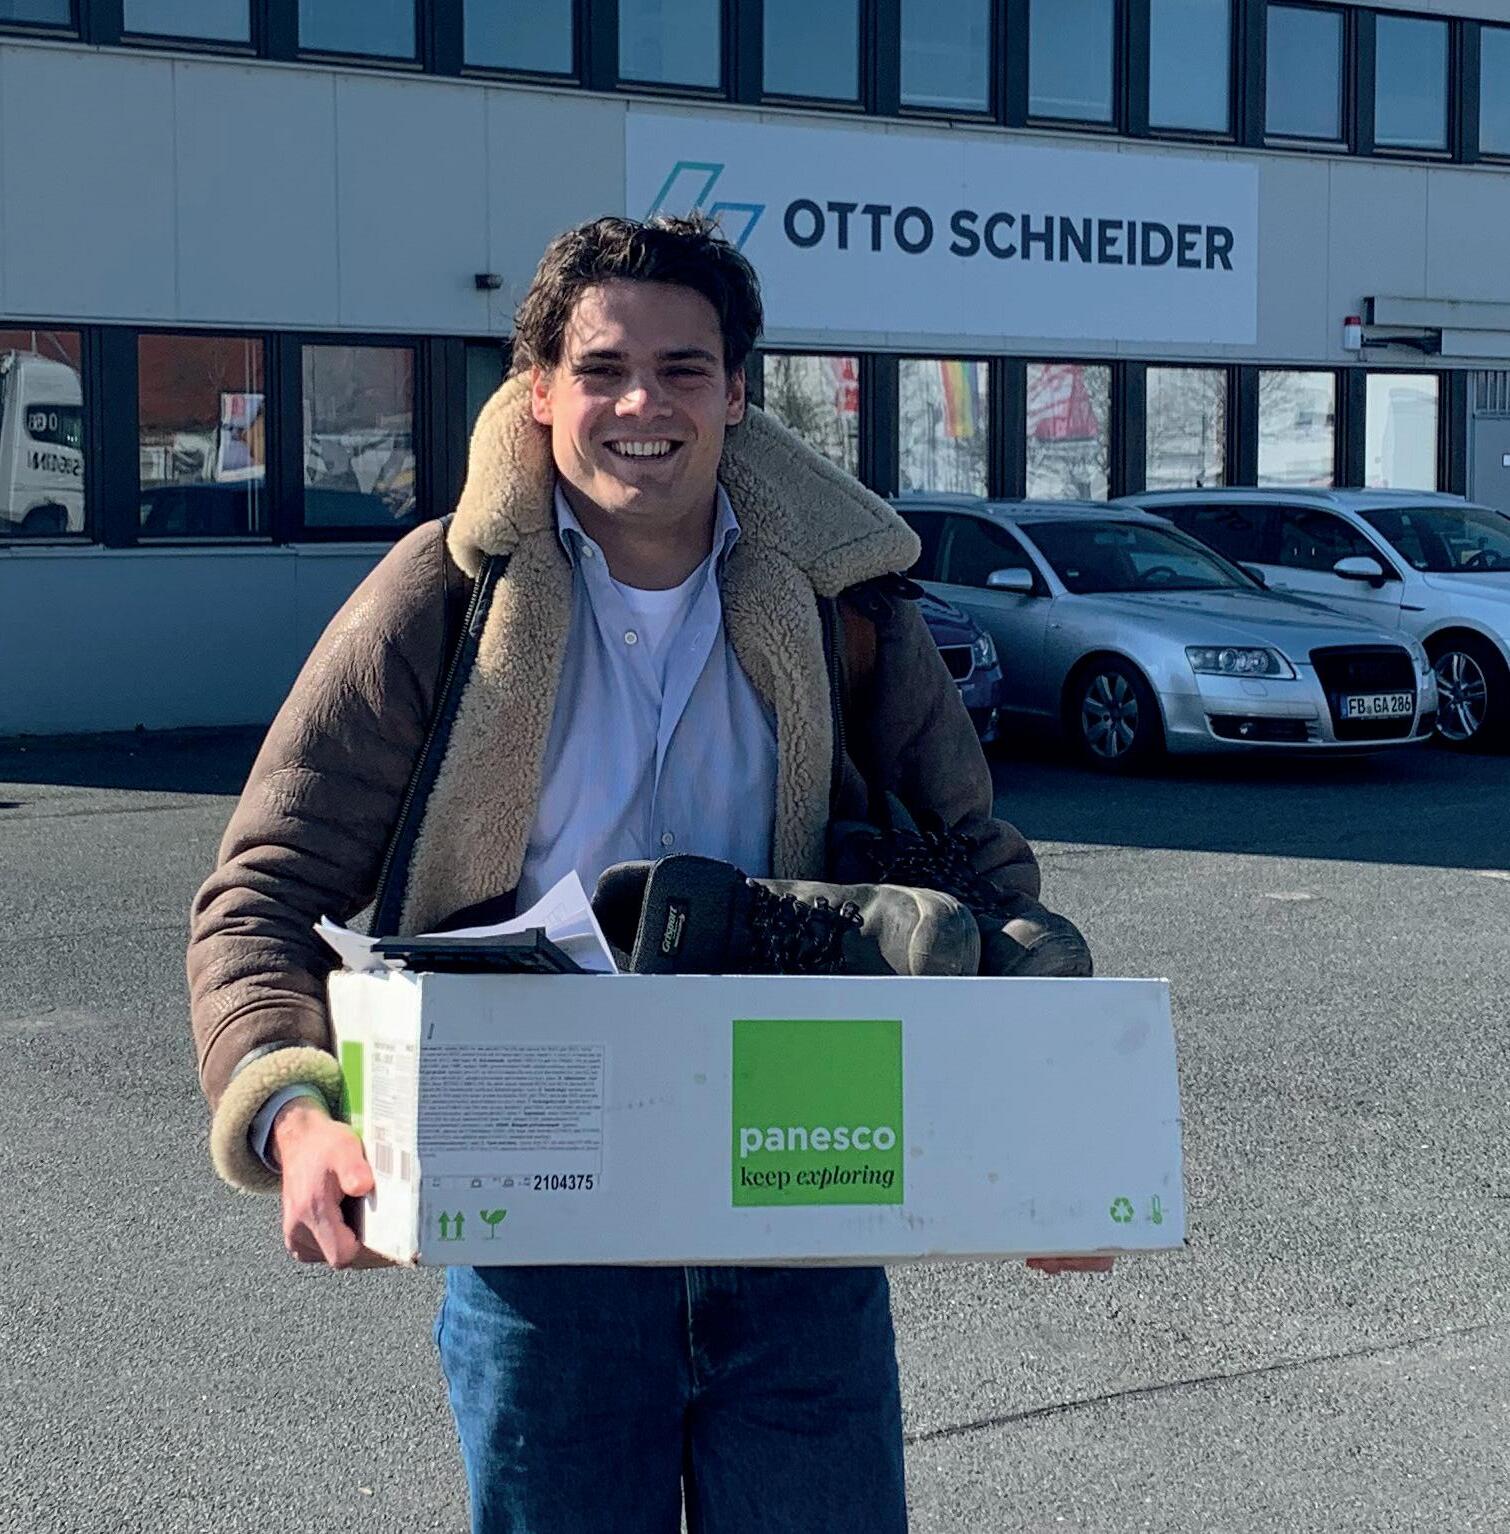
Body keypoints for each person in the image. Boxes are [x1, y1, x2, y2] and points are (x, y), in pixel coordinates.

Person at [187, 213, 1104, 1534]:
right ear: (539, 388)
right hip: (541, 1236)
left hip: (799, 1213)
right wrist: (294, 1113)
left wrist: (1057, 1147)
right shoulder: (442, 599)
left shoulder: (849, 603)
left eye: (683, 369)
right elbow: (261, 891)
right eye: (603, 368)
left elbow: (981, 879)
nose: (641, 405)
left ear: (737, 395)